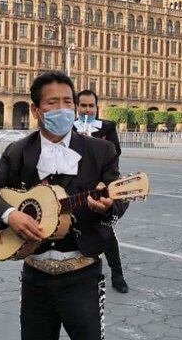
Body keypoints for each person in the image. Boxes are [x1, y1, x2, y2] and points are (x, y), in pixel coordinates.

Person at [0, 71, 128, 340]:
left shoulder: (100, 151)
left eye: (68, 102)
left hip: (82, 274)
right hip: (35, 276)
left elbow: (119, 197)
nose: (63, 109)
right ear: (35, 110)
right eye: (52, 103)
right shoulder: (19, 150)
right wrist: (10, 215)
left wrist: (109, 206)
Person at [73, 89, 128, 293]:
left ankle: (117, 273)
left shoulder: (106, 126)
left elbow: (115, 153)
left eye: (91, 106)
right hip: (74, 188)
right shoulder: (69, 127)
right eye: (83, 106)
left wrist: (96, 143)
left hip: (99, 186)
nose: (87, 110)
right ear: (77, 108)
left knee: (106, 233)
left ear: (97, 107)